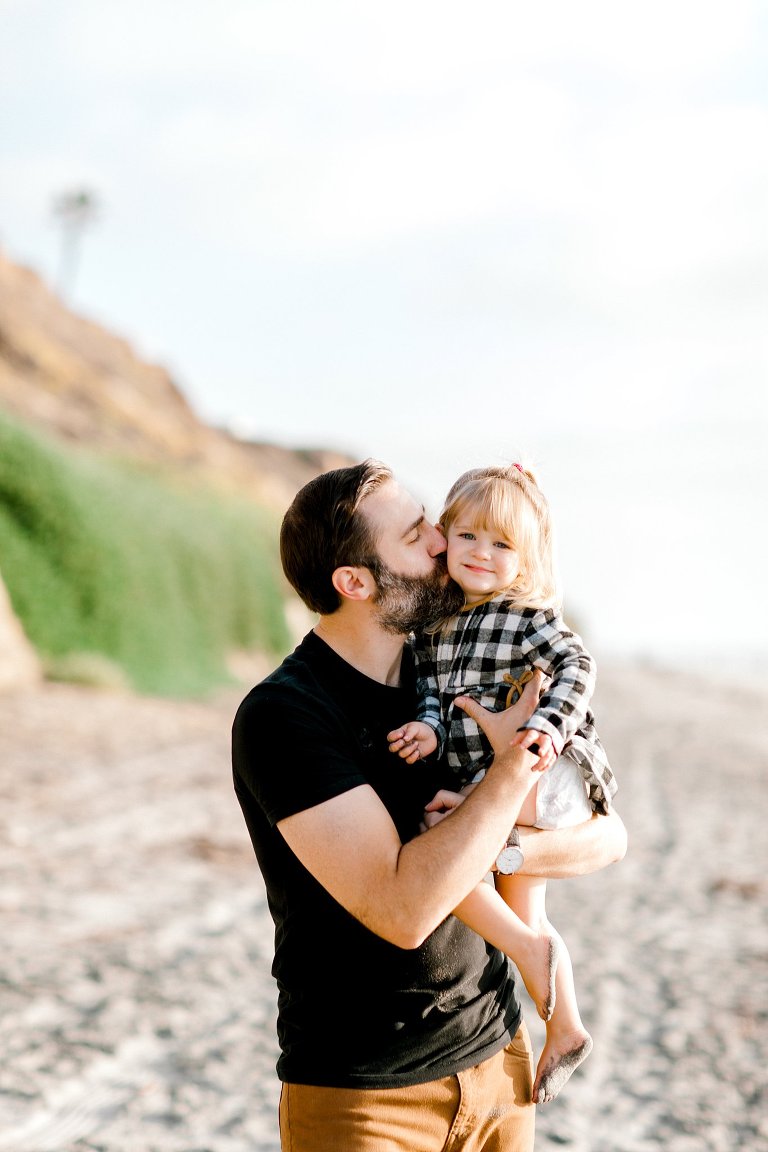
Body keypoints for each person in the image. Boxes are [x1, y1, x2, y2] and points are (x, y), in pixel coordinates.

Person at [232, 459, 627, 1152]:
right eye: (419, 536)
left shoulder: (451, 668)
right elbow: (403, 911)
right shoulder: (285, 717)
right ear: (355, 583)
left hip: (500, 1060)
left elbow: (607, 839)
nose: (445, 544)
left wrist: (512, 849)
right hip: (366, 1097)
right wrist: (512, 767)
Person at [387, 463, 618, 1105]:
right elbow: (430, 692)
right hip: (499, 785)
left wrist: (545, 727)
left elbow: (578, 664)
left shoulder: (525, 616)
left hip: (547, 776)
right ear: (446, 537)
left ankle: (525, 953)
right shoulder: (432, 627)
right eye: (469, 537)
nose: (482, 554)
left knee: (442, 831)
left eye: (503, 544)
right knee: (529, 912)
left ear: (528, 558)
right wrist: (430, 731)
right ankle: (565, 1025)